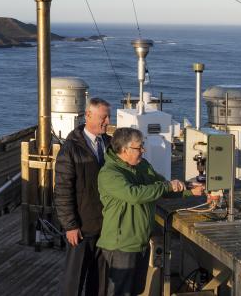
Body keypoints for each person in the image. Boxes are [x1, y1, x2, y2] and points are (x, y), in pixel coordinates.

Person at [97, 127, 204, 296]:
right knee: (120, 292)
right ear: (124, 150)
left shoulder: (142, 165)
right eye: (139, 147)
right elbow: (134, 194)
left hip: (140, 241)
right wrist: (166, 186)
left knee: (136, 289)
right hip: (121, 245)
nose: (143, 150)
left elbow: (161, 187)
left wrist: (189, 189)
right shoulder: (110, 174)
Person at [54, 97, 112, 296]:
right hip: (81, 227)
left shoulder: (108, 144)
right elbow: (62, 191)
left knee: (100, 280)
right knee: (74, 280)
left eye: (108, 117)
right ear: (88, 115)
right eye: (103, 118)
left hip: (105, 226)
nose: (107, 122)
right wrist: (70, 225)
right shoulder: (70, 150)